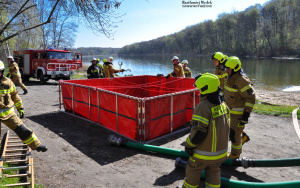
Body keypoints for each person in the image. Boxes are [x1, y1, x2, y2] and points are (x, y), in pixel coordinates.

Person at [179, 73, 230, 188]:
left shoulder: (203, 107)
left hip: (203, 155)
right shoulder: (223, 105)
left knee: (193, 172)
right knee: (214, 173)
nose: (198, 91)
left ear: (205, 89)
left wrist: (189, 145)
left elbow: (199, 132)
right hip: (220, 154)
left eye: (199, 89)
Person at [0, 60, 47, 152]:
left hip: (8, 114)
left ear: (2, 72)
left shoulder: (8, 82)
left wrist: (20, 108)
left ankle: (36, 145)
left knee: (22, 130)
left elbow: (15, 95)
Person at [223, 56, 255, 159]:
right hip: (228, 112)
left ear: (235, 68)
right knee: (228, 132)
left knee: (234, 135)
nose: (226, 70)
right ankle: (243, 136)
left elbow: (251, 98)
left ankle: (235, 154)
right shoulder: (229, 77)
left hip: (238, 115)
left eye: (228, 68)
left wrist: (246, 115)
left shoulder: (241, 81)